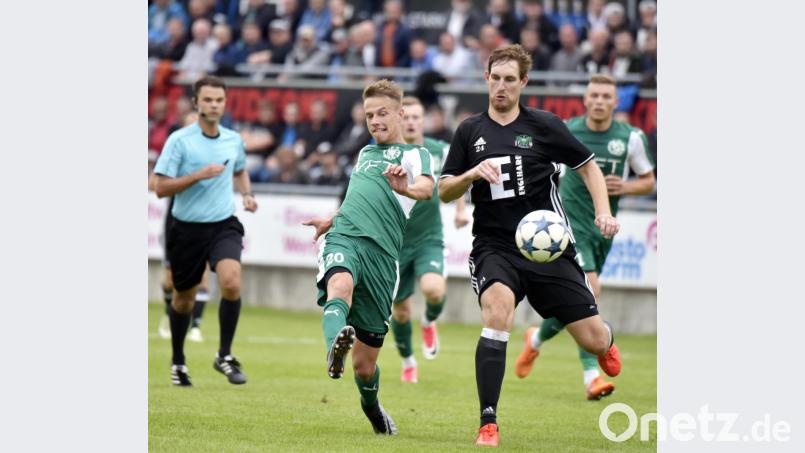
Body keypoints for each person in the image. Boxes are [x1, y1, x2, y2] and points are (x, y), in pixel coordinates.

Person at [438, 44, 622, 447]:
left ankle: (606, 338)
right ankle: (488, 421)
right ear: (486, 78)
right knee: (497, 312)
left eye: (509, 79)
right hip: (495, 246)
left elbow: (587, 166)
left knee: (591, 340)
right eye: (495, 78)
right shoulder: (470, 130)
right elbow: (445, 190)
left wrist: (602, 210)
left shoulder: (544, 125)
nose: (501, 86)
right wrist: (470, 174)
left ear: (523, 83)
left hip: (549, 249)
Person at [302, 79, 434, 435]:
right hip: (345, 236)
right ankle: (334, 349)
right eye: (369, 115)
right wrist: (332, 220)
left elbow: (427, 187)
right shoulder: (364, 154)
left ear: (400, 114)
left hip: (383, 257)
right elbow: (357, 198)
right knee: (339, 286)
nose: (375, 120)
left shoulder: (416, 155)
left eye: (382, 113)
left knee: (364, 366)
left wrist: (406, 187)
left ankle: (371, 406)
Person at [515, 74, 655, 399]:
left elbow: (648, 180)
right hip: (567, 227)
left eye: (607, 96)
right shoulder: (566, 131)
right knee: (589, 291)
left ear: (616, 101)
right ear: (585, 99)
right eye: (594, 95)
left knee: (580, 300)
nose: (600, 101)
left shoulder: (631, 138)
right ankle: (591, 377)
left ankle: (535, 339)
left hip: (604, 229)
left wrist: (629, 186)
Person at [153, 76, 258, 387]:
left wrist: (247, 194)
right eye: (208, 100)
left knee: (231, 281)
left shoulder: (232, 139)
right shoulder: (180, 141)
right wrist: (198, 175)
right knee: (184, 298)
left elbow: (239, 168)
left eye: (219, 100)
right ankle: (178, 361)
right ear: (196, 103)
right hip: (186, 228)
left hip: (223, 224)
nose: (214, 105)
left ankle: (224, 355)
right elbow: (160, 187)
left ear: (225, 104)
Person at [389, 96, 469, 384]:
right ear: (398, 120)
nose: (410, 121)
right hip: (395, 241)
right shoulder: (389, 153)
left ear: (423, 121)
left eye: (415, 117)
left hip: (428, 236)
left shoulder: (438, 151)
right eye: (405, 117)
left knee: (434, 290)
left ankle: (429, 321)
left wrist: (460, 211)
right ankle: (408, 361)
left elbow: (454, 179)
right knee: (400, 311)